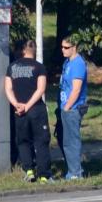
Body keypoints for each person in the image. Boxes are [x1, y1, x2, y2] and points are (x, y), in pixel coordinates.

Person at [6, 40, 51, 183]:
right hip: (36, 109)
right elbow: (41, 89)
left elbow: (8, 88)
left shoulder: (11, 67)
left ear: (22, 50)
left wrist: (16, 104)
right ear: (34, 51)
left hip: (19, 111)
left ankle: (29, 171)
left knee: (23, 141)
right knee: (41, 141)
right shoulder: (39, 67)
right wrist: (28, 105)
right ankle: (44, 175)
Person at [56, 36, 88, 180]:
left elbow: (76, 89)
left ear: (74, 47)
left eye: (66, 47)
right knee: (64, 140)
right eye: (62, 47)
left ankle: (75, 173)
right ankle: (72, 169)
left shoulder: (78, 64)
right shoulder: (67, 62)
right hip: (64, 107)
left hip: (73, 108)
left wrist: (67, 107)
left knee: (71, 141)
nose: (63, 50)